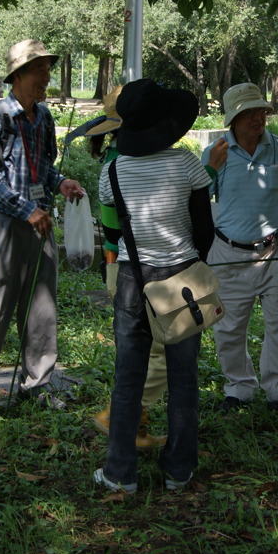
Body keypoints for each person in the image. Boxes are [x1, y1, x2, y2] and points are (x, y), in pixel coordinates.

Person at [94, 78, 214, 493]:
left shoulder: (110, 170)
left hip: (132, 279)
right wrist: (190, 260)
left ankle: (119, 471)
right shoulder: (186, 164)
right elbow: (205, 228)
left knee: (128, 376)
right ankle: (179, 469)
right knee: (183, 376)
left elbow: (115, 228)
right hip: (181, 278)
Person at [0, 39, 85, 421]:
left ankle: (40, 383)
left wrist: (61, 182)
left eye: (48, 69)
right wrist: (26, 208)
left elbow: (44, 168)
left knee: (42, 307)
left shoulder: (43, 117)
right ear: (17, 75)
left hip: (40, 222)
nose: (46, 76)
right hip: (5, 224)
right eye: (39, 70)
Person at [201, 82, 278, 414]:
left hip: (276, 251)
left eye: (262, 111)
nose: (259, 117)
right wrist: (209, 168)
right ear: (233, 118)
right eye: (250, 113)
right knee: (228, 327)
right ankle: (239, 389)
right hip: (229, 255)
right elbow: (197, 198)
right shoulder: (217, 151)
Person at [87, 86, 167, 450]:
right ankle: (122, 415)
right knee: (162, 349)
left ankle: (136, 424)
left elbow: (111, 230)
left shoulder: (116, 161)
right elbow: (114, 229)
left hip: (119, 266)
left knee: (140, 349)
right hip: (134, 268)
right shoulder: (122, 164)